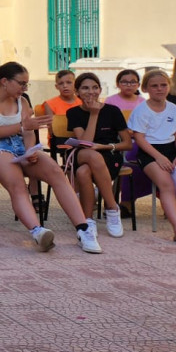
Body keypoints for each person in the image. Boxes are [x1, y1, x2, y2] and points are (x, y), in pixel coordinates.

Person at [0, 62, 101, 253]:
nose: (24, 88)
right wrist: (23, 127)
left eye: (26, 85)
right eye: (21, 84)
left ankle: (83, 229)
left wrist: (30, 150)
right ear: (5, 81)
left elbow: (29, 131)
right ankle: (38, 231)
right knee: (16, 183)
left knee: (56, 172)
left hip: (21, 145)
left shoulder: (22, 101)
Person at [66, 72, 131, 239]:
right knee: (91, 155)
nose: (91, 92)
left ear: (100, 90)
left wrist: (105, 146)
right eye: (85, 88)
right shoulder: (73, 113)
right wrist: (94, 114)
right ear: (77, 92)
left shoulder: (113, 111)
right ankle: (112, 208)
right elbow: (85, 143)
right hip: (83, 153)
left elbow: (127, 143)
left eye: (95, 87)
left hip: (109, 153)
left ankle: (87, 220)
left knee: (83, 172)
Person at [127, 69, 176, 243]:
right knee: (166, 185)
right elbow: (139, 138)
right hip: (150, 153)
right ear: (145, 89)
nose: (159, 89)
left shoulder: (175, 110)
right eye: (154, 86)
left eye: (163, 85)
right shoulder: (141, 111)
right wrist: (158, 157)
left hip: (172, 151)